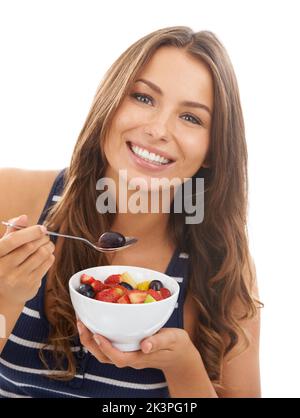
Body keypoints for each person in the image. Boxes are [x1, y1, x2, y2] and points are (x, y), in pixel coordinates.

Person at [0, 26, 262, 398]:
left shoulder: (222, 267)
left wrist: (182, 365)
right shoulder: (12, 199)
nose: (158, 130)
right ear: (109, 104)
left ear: (214, 150)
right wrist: (5, 298)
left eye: (191, 118)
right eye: (143, 97)